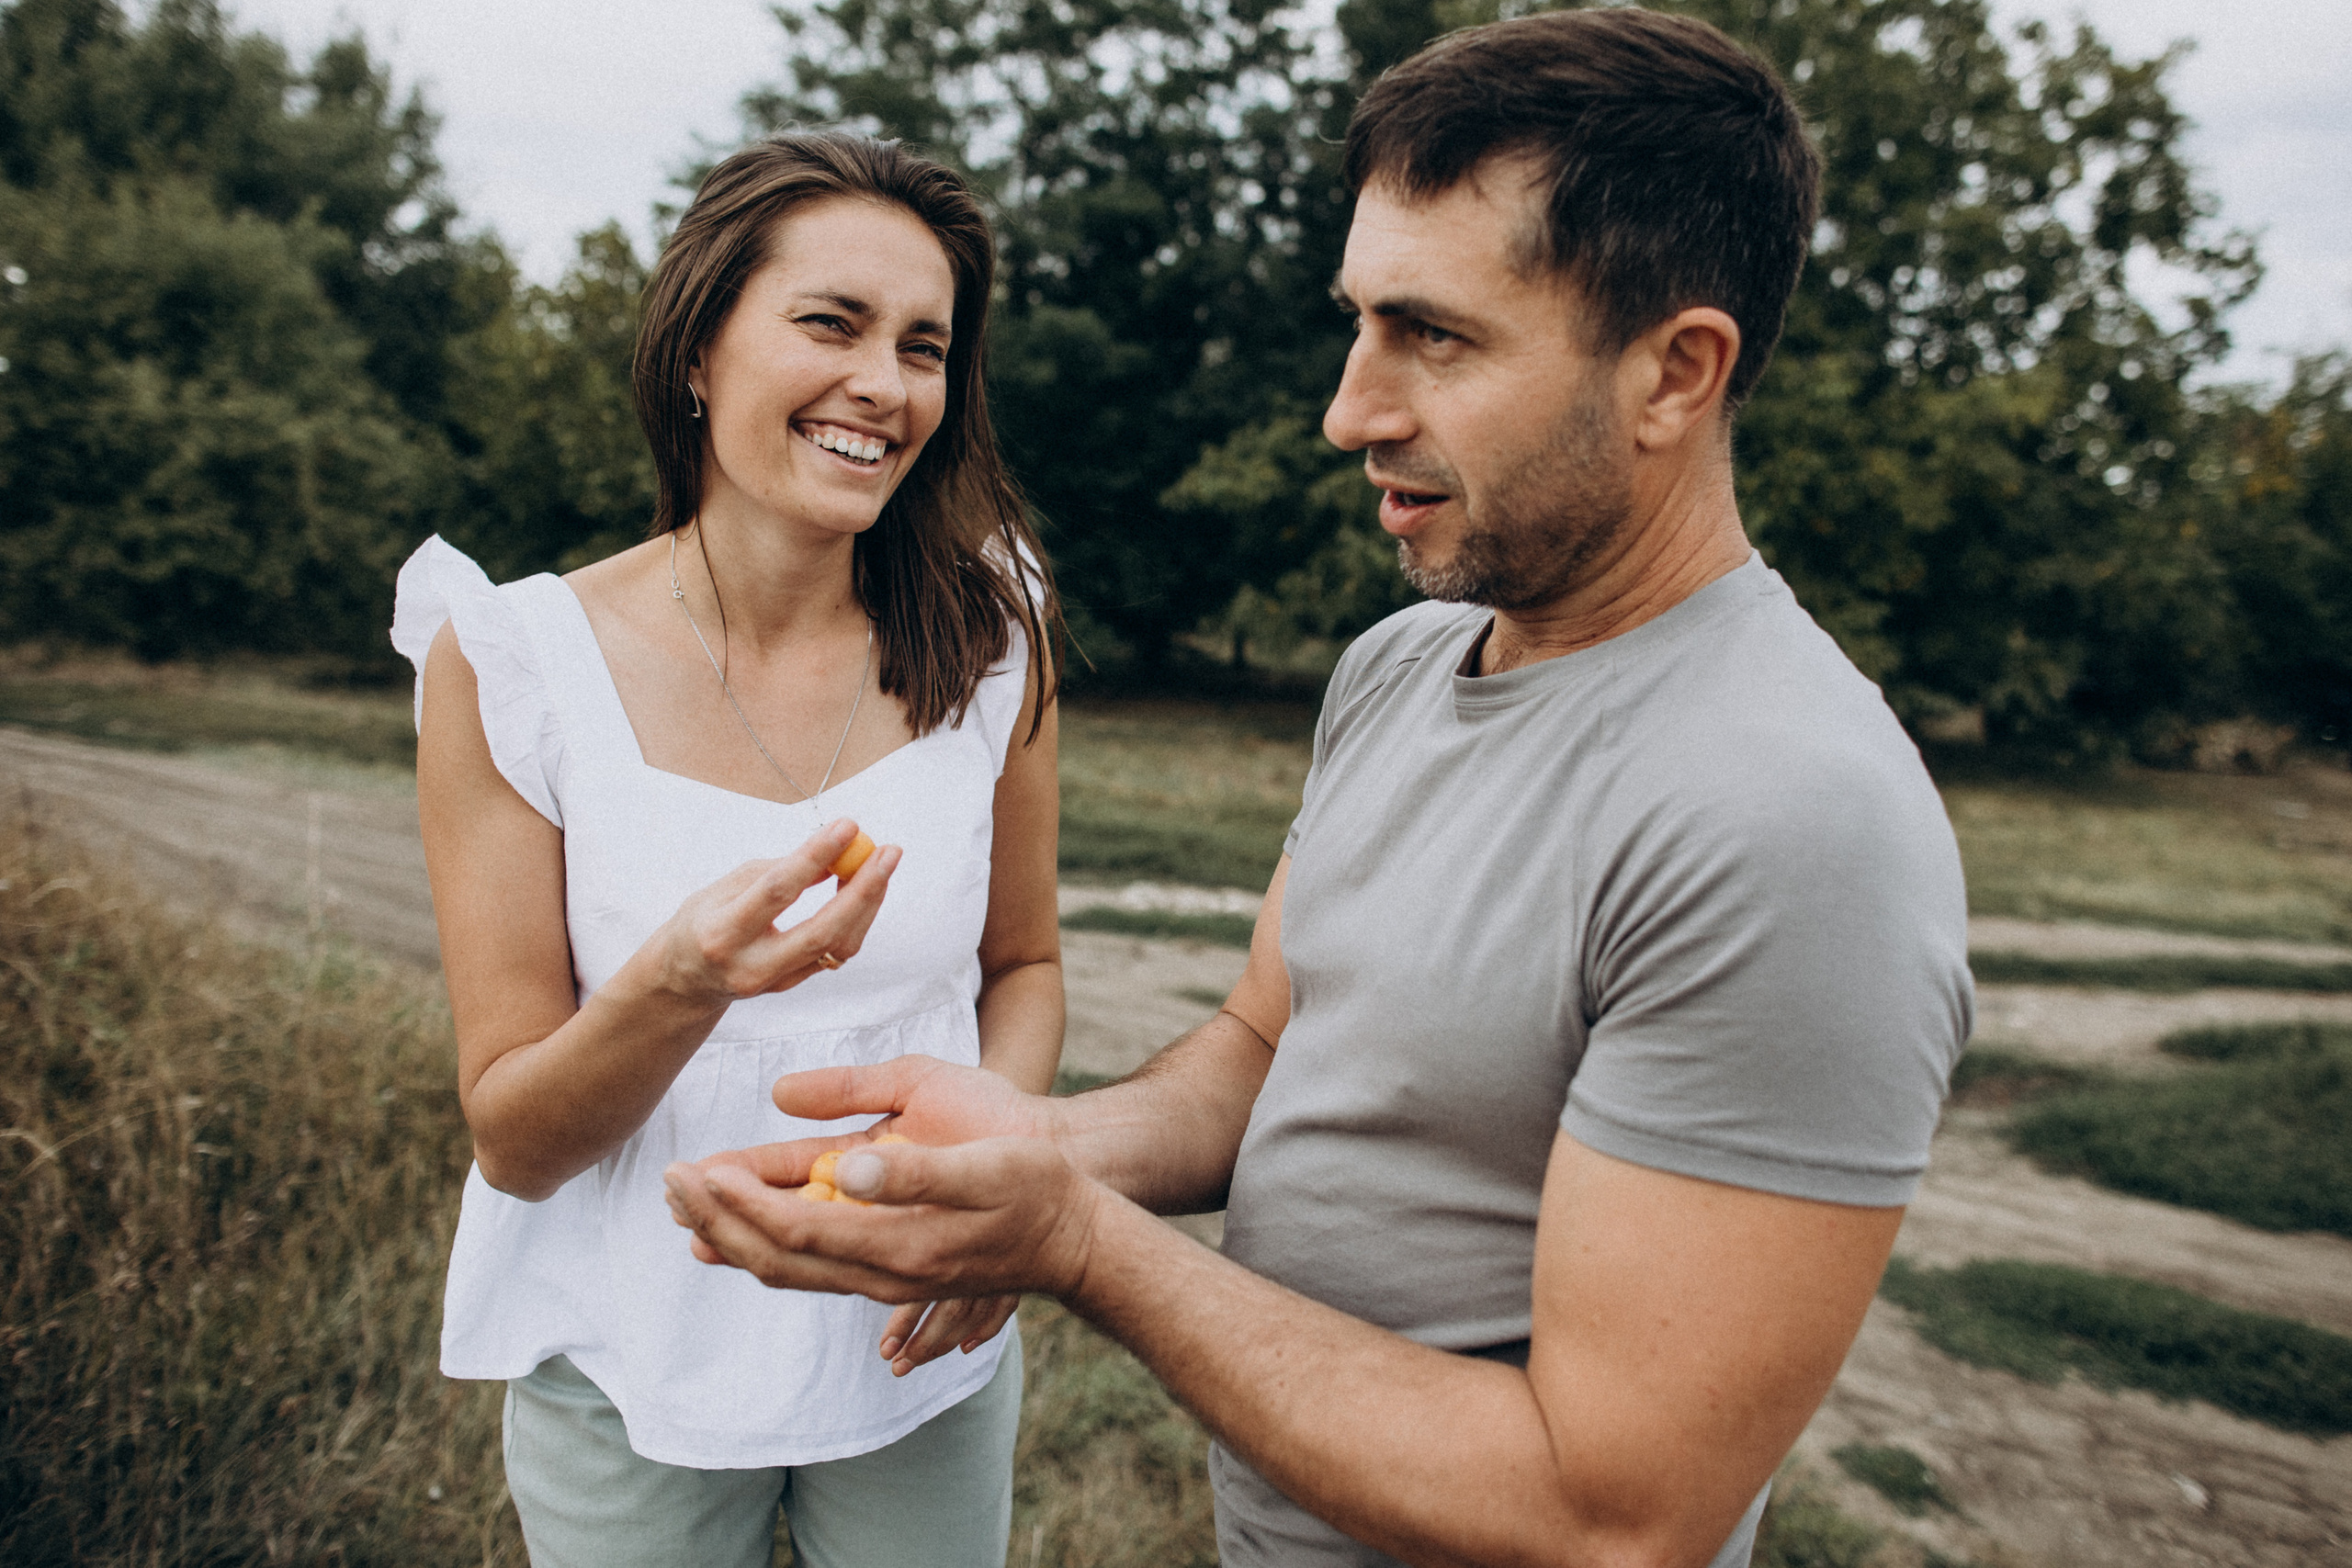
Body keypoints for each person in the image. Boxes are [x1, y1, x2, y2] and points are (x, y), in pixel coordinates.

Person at [665, 12, 1973, 1568]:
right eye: (1358, 324)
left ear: (1675, 373)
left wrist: (1076, 1243)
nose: (1351, 409)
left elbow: (1615, 1516)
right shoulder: (1403, 669)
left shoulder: (1793, 821)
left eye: (1436, 336)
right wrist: (1028, 1151)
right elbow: (1260, 1054)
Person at [389, 130, 1063, 1568]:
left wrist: (994, 1192)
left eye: (925, 346)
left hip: (910, 1339)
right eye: (832, 323)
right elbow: (516, 1135)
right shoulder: (514, 663)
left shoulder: (992, 632)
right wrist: (685, 978)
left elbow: (1028, 964)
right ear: (698, 349)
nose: (883, 386)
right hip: (630, 1353)